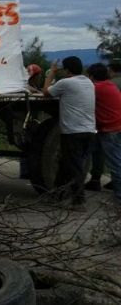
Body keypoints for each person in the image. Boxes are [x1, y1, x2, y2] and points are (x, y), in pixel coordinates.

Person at [43, 57, 96, 211]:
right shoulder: (89, 83)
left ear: (67, 70)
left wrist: (51, 73)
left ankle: (79, 201)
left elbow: (46, 92)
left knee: (74, 167)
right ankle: (57, 196)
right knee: (67, 163)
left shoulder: (66, 83)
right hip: (89, 130)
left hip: (73, 131)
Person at [86, 63, 121, 203]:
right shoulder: (110, 85)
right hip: (114, 126)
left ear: (92, 76)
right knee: (101, 154)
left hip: (109, 129)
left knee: (115, 163)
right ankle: (95, 180)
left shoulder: (96, 88)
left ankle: (119, 197)